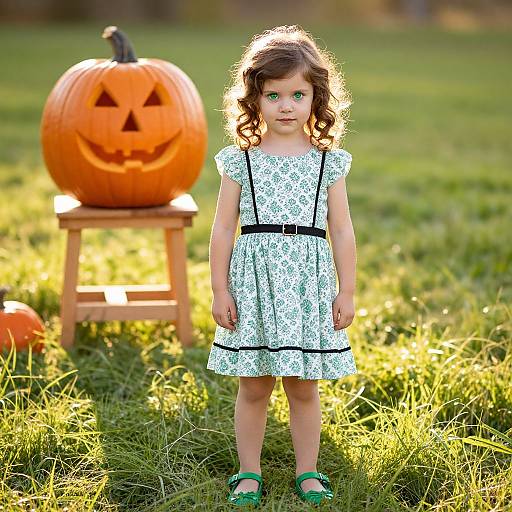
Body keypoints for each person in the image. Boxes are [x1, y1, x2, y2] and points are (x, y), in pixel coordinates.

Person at [207, 24, 358, 507]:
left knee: (303, 386)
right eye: (274, 95)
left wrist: (347, 290)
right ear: (255, 100)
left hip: (306, 286)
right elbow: (221, 230)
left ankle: (308, 471)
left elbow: (343, 230)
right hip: (253, 283)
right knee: (254, 385)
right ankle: (248, 472)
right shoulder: (240, 161)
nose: (287, 106)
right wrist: (219, 290)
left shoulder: (326, 163)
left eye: (298, 94)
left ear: (318, 97)